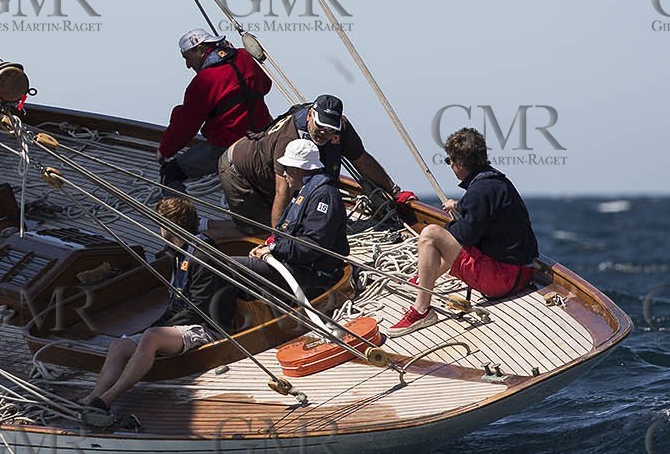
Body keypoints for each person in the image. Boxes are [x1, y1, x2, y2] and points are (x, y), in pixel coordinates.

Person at [81, 195, 232, 429]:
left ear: (171, 226)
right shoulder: (179, 252)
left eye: (160, 223)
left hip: (208, 328)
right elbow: (176, 302)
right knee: (119, 346)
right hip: (183, 323)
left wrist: (159, 329)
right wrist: (160, 326)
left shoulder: (203, 256)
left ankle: (106, 400)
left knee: (152, 337)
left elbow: (198, 310)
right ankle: (92, 397)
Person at [391, 128, 538, 333]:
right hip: (523, 273)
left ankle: (421, 310)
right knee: (448, 239)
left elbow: (463, 236)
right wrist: (460, 206)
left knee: (431, 235)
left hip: (503, 279)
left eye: (449, 161)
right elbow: (483, 213)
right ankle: (424, 279)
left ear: (459, 164)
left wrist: (446, 229)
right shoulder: (496, 182)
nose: (450, 166)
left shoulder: (479, 191)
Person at [217, 93, 406, 235]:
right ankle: (207, 228)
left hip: (268, 172)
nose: (324, 133)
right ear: (309, 116)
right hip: (239, 172)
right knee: (259, 232)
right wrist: (277, 239)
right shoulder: (290, 141)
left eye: (330, 129)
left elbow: (362, 160)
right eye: (320, 126)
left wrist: (395, 192)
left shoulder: (341, 128)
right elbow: (283, 192)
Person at [226, 138, 349, 313]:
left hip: (310, 277)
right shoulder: (306, 193)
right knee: (225, 266)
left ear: (297, 169)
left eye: (286, 168)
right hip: (293, 266)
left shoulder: (323, 196)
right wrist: (268, 247)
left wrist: (273, 249)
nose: (283, 173)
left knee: (225, 266)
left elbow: (310, 246)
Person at [157, 29, 271, 191]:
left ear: (200, 50)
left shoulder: (203, 82)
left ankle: (175, 208)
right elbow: (266, 85)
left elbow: (186, 125)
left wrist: (165, 151)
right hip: (264, 136)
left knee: (171, 172)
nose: (188, 65)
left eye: (187, 57)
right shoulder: (244, 57)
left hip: (229, 145)